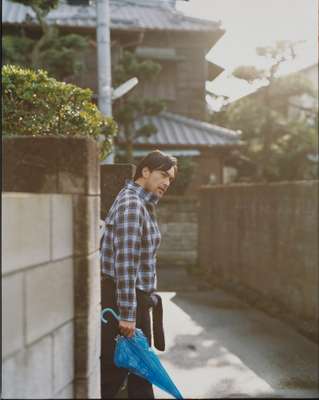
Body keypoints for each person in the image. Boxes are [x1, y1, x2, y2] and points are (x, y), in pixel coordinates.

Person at [100, 150, 177, 399]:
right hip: (123, 302)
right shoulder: (132, 204)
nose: (166, 183)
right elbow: (125, 263)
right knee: (117, 376)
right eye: (163, 175)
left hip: (132, 301)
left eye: (171, 179)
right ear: (145, 172)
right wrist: (128, 316)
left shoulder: (142, 203)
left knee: (138, 376)